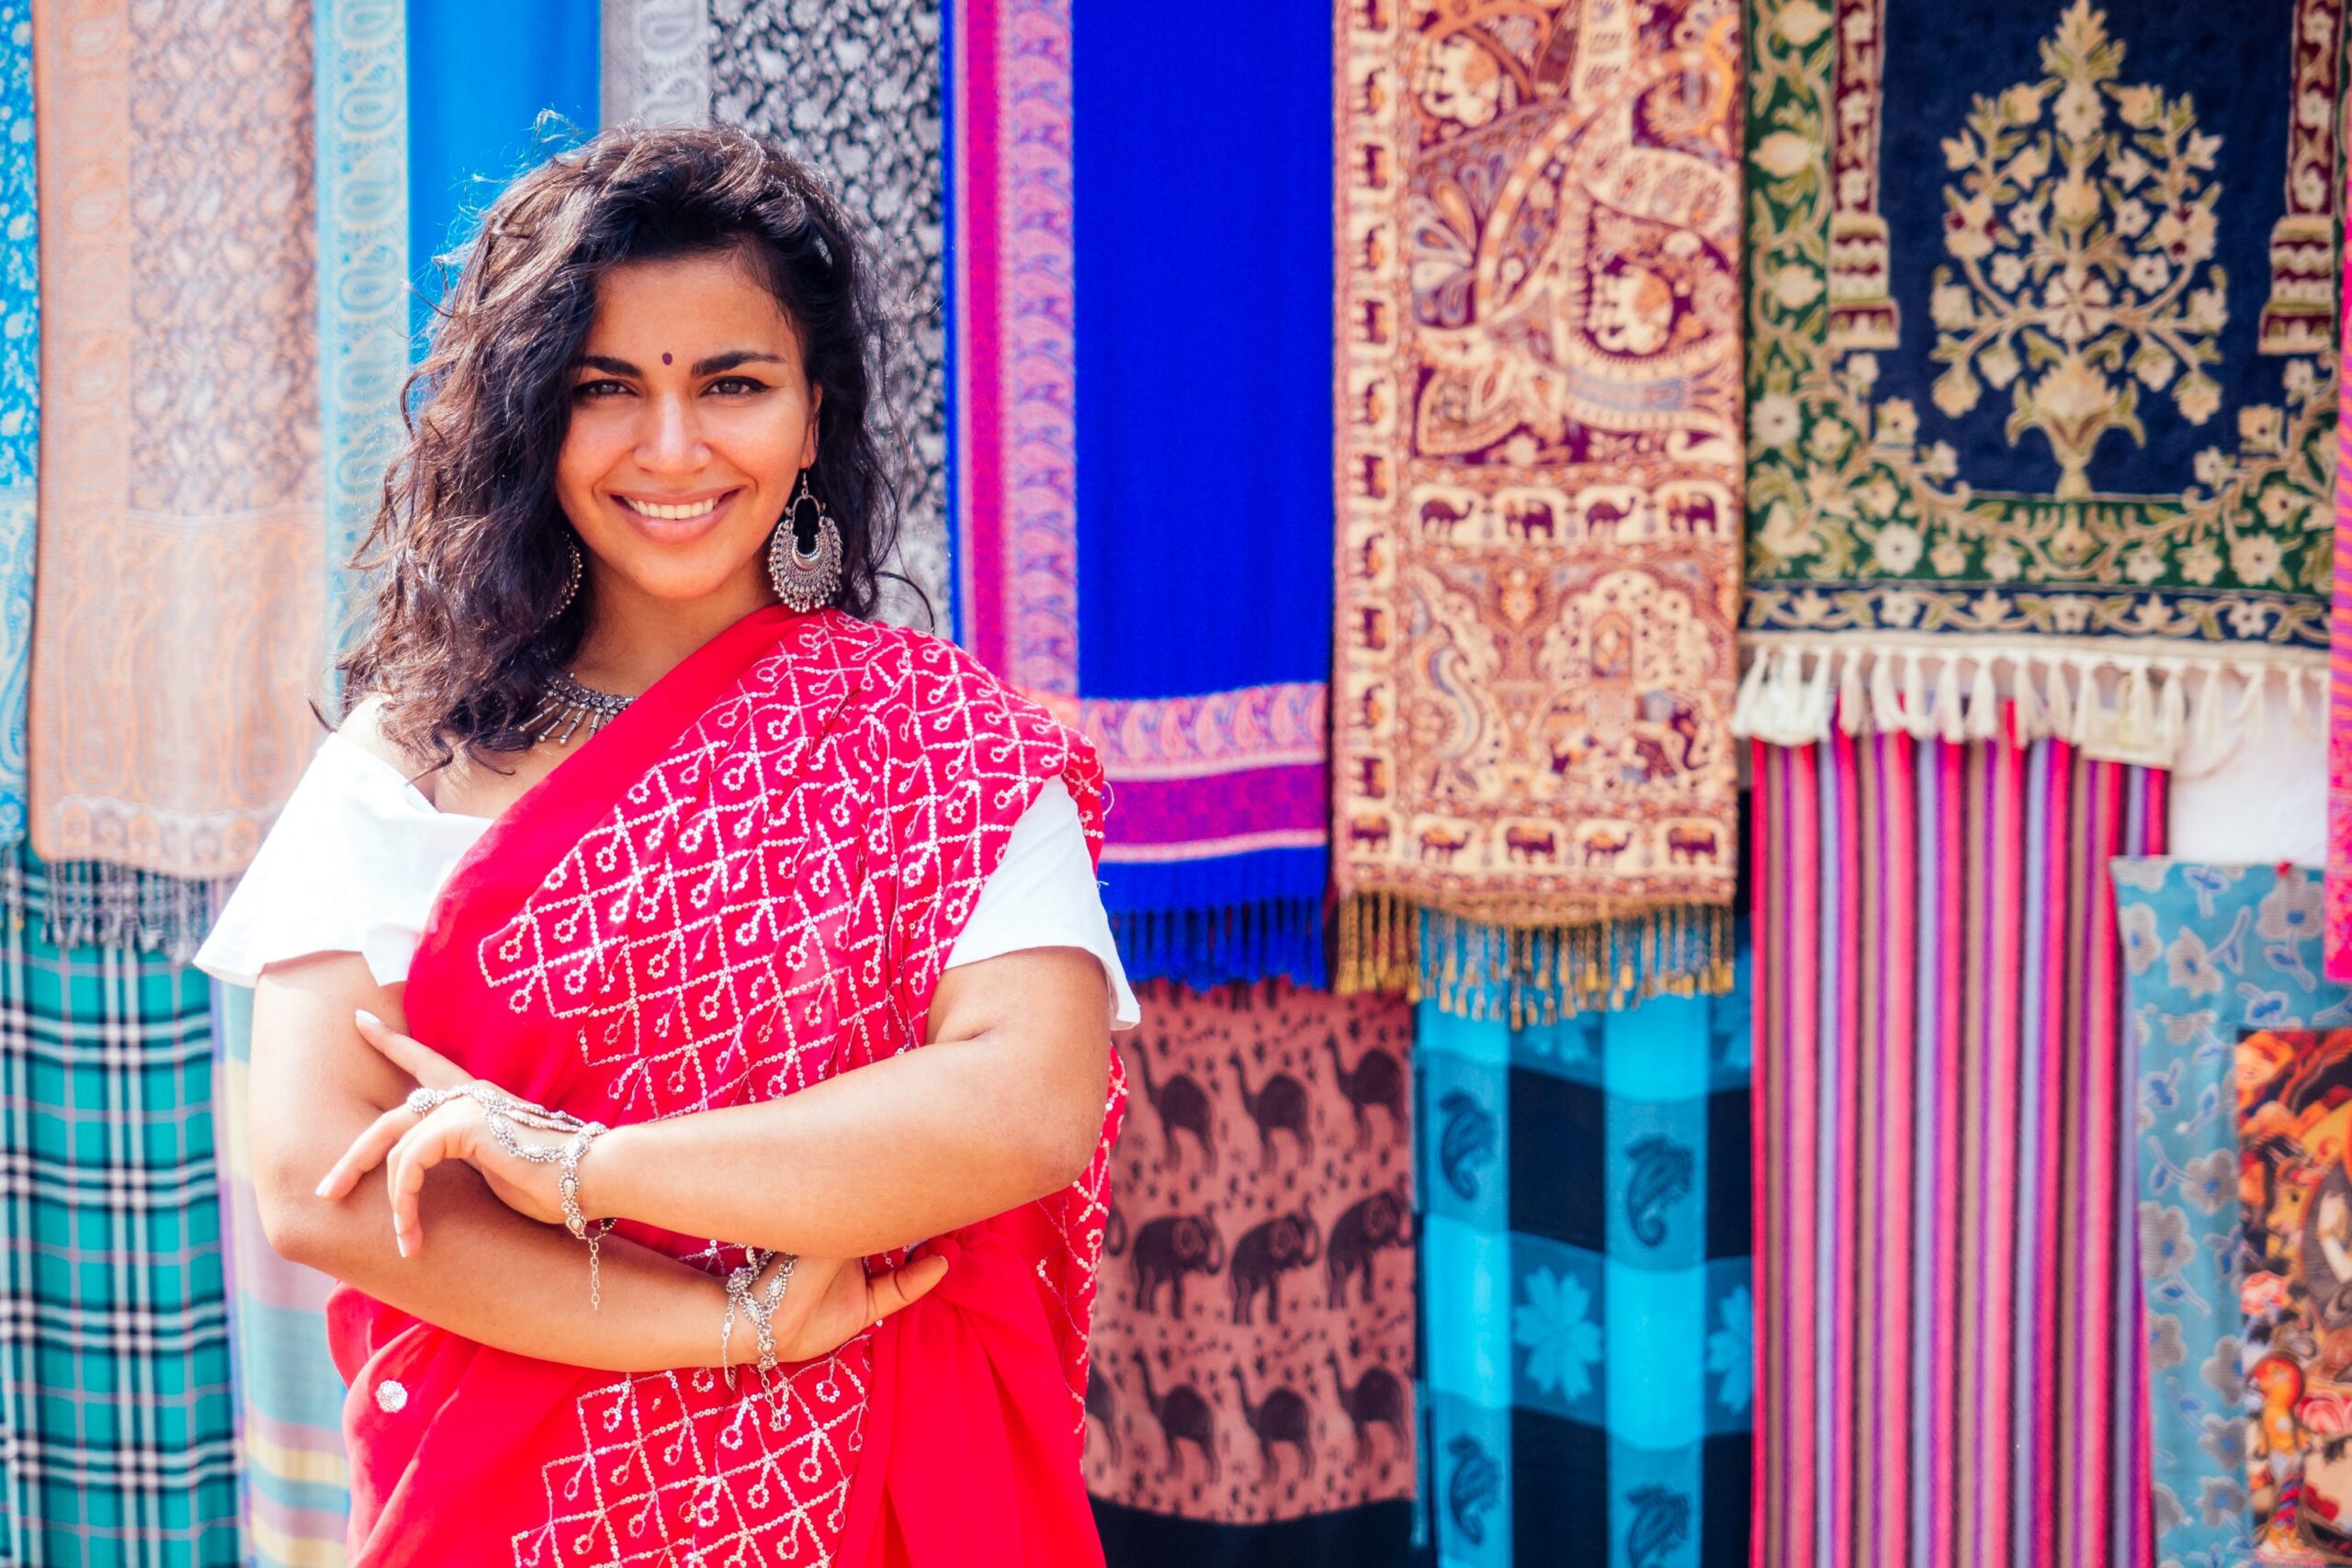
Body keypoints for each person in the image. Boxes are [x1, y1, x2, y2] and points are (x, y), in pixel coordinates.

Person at [195, 124, 1135, 1566]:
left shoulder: (946, 744)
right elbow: (321, 1183)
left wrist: (581, 1166)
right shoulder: (412, 755)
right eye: (607, 391)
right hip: (516, 1508)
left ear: (814, 416)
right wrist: (728, 1325)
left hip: (885, 1495)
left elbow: (1025, 1106)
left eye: (734, 385)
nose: (676, 447)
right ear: (531, 421)